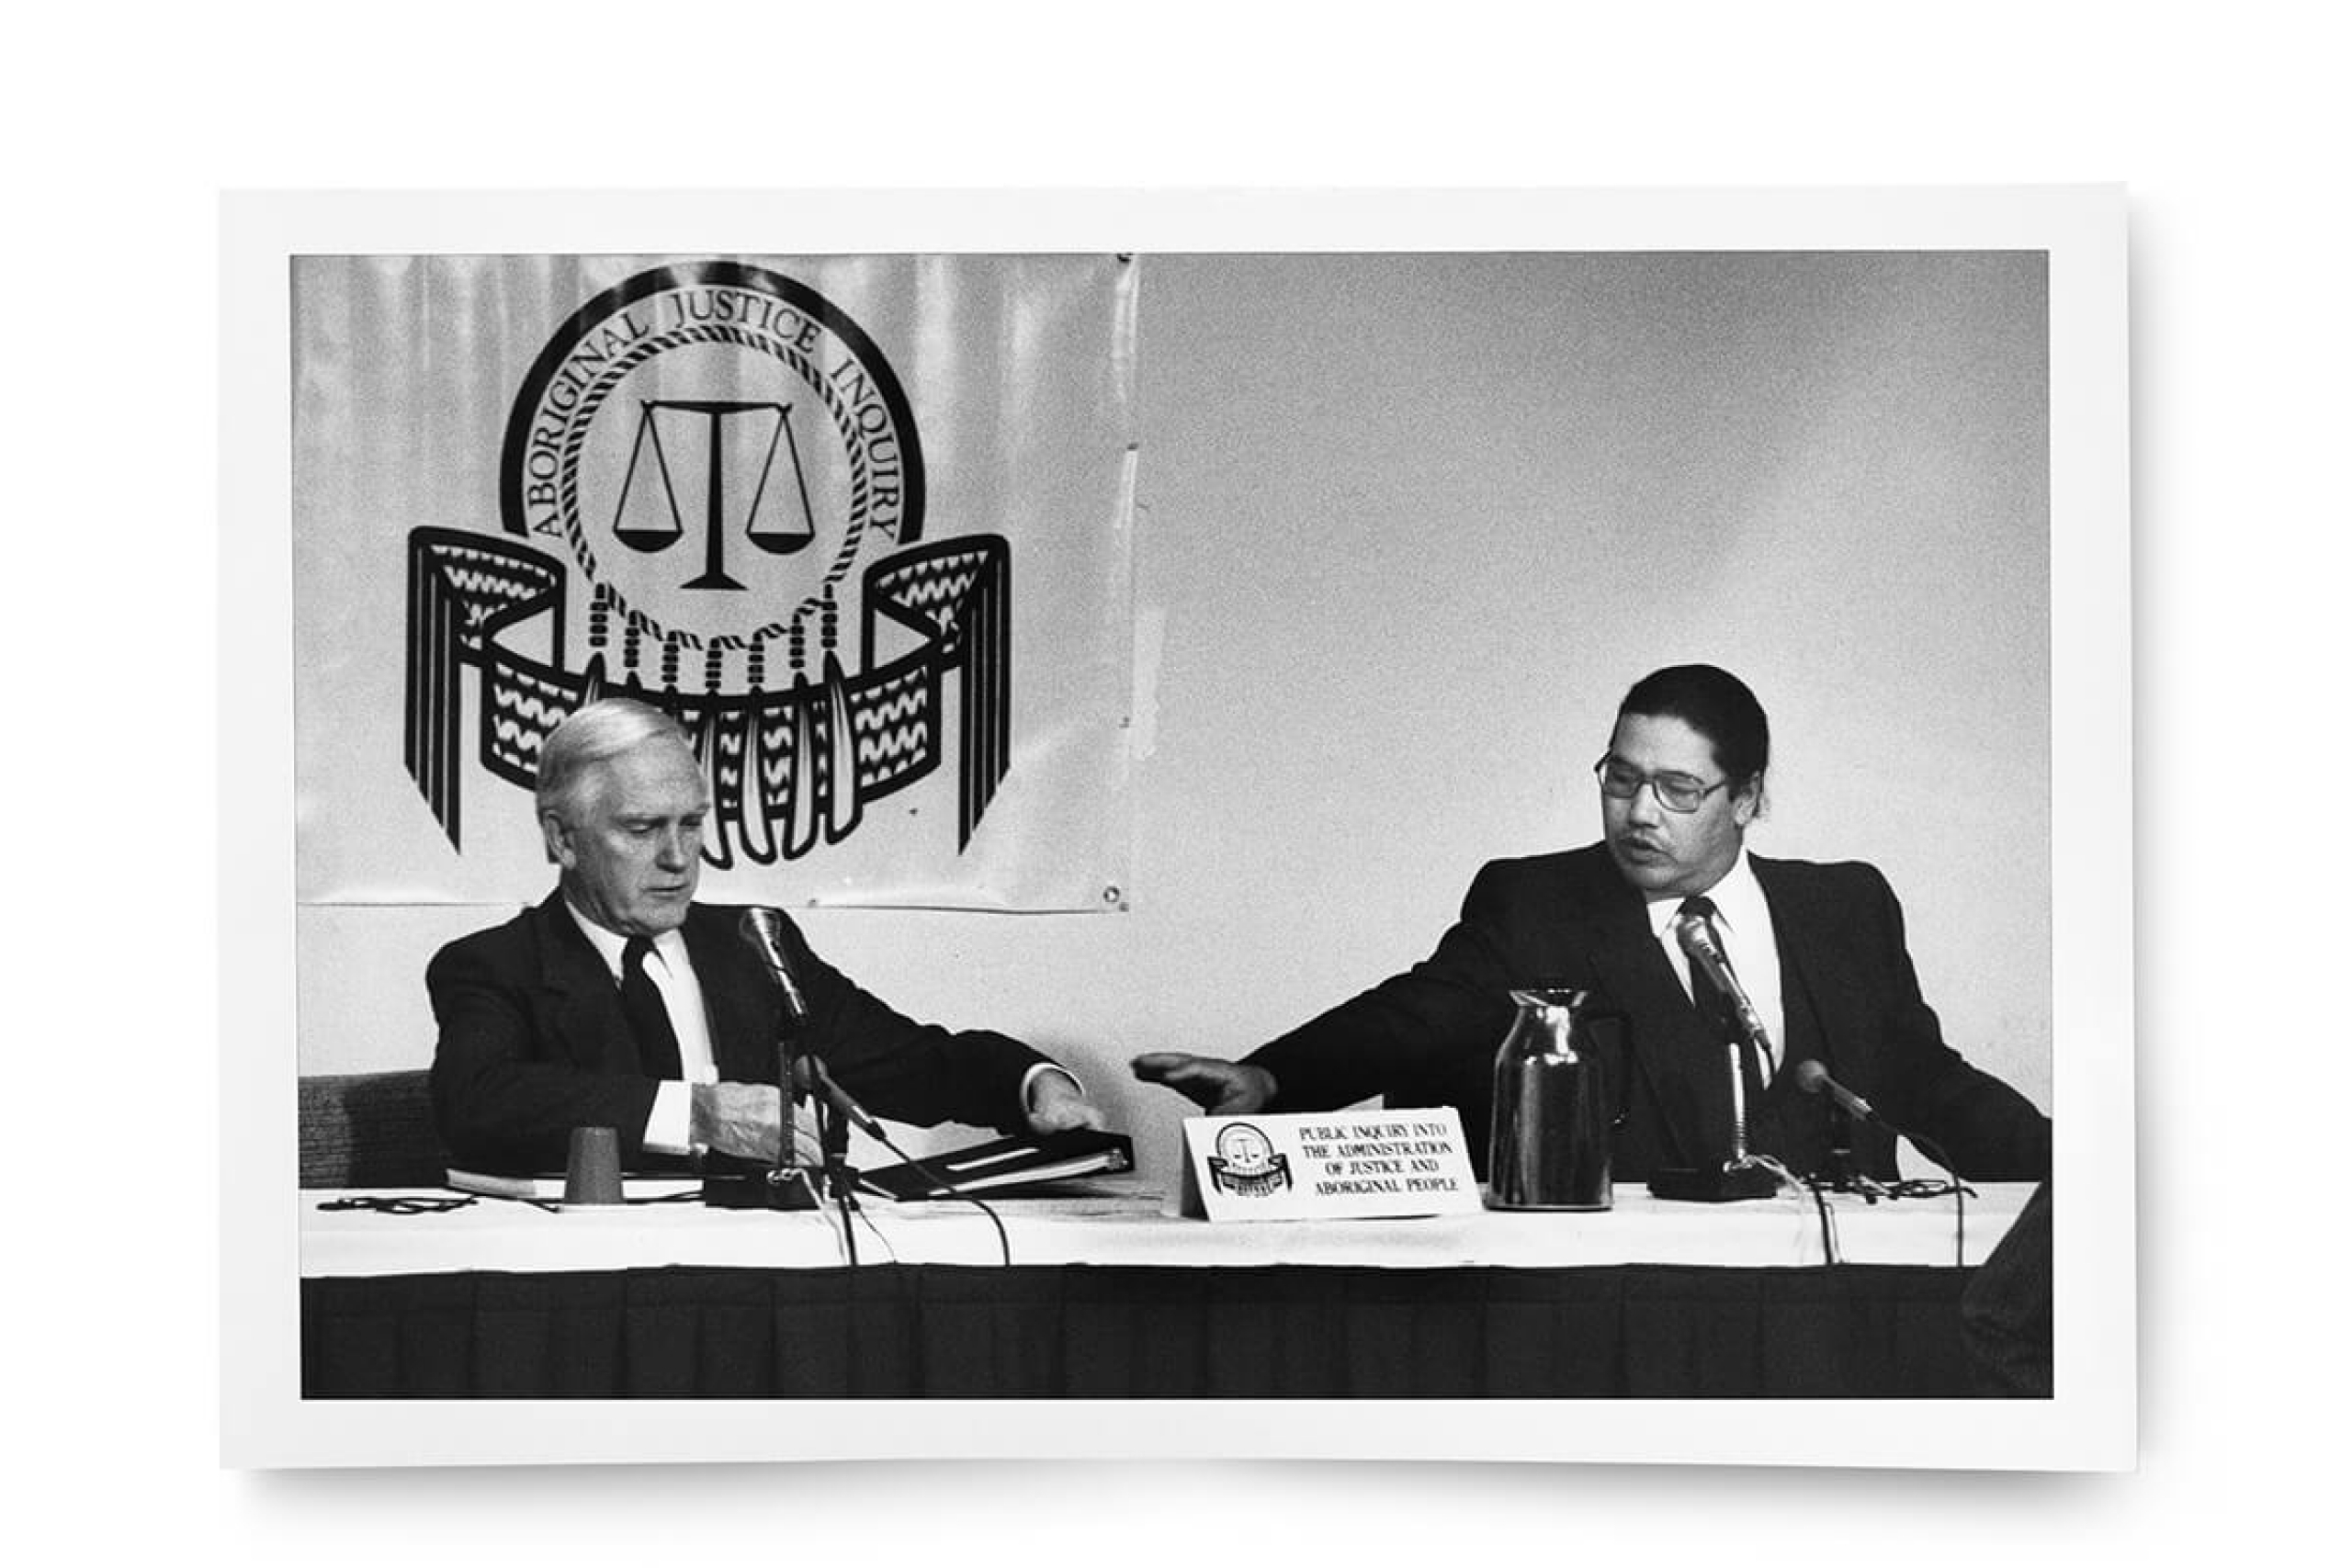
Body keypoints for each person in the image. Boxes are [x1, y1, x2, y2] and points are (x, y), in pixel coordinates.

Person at [1133, 664, 2051, 1185]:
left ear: (1748, 799)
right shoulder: (1536, 902)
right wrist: (1271, 1076)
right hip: (1634, 1300)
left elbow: (1921, 1077)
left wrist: (2067, 1170)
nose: (1639, 813)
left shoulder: (1844, 906)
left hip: (1831, 1294)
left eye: (1677, 789)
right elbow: (1421, 1011)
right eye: (1620, 779)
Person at [429, 698, 1105, 1173]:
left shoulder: (754, 944)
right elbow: (481, 1099)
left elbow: (906, 1061)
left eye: (691, 824)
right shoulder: (494, 964)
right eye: (641, 829)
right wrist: (698, 1113)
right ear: (561, 838)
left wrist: (1031, 1082)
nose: (678, 857)